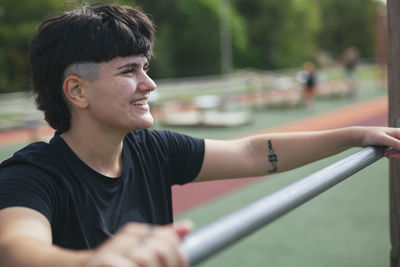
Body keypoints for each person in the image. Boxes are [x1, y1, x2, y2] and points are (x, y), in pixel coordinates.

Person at [1, 3, 400, 267]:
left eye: (145, 68)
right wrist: (92, 262)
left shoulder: (152, 149)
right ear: (76, 91)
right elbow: (15, 247)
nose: (149, 84)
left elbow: (251, 152)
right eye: (129, 71)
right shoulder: (31, 175)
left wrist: (354, 135)